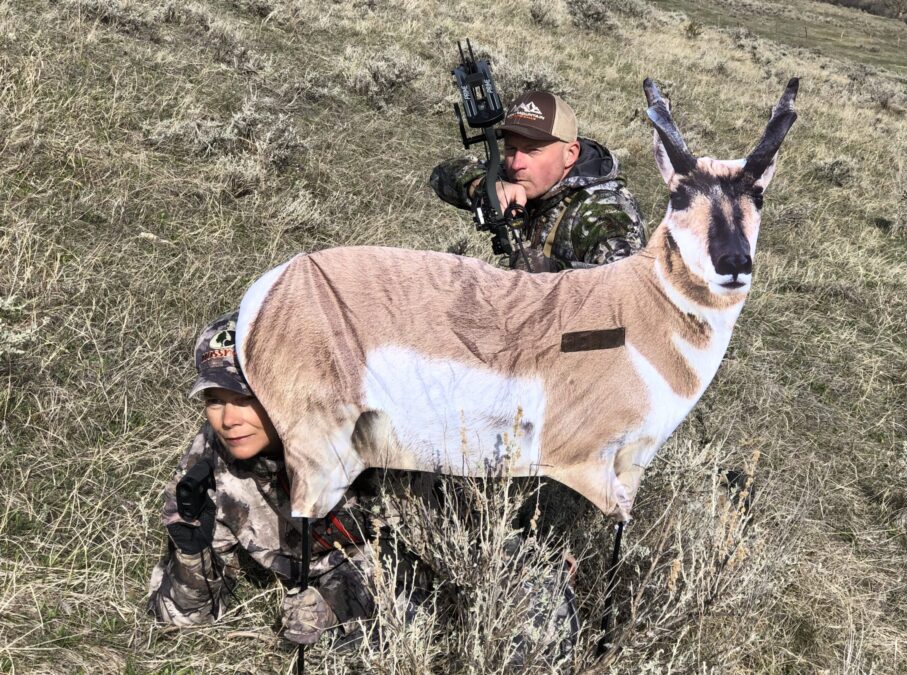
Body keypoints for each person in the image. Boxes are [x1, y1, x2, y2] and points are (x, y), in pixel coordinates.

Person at [146, 312, 428, 648]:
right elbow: (186, 618)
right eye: (214, 401)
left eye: (246, 398)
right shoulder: (209, 459)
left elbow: (424, 555)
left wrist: (335, 603)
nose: (228, 420)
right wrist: (192, 554)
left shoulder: (360, 433)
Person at [430, 90, 647, 272]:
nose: (516, 164)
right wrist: (482, 186)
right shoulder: (520, 174)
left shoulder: (606, 212)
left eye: (533, 150)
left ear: (570, 154)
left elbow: (625, 289)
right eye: (511, 148)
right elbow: (442, 174)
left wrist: (546, 269)